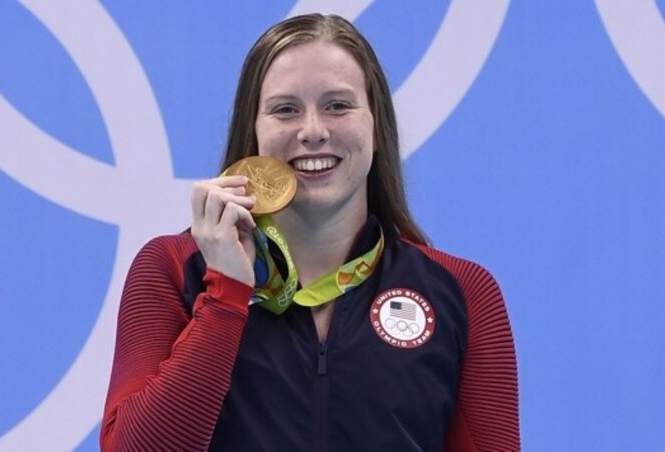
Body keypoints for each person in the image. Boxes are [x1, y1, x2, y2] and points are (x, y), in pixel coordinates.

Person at [101, 13, 519, 451]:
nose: (313, 131)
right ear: (254, 131)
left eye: (338, 105)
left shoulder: (463, 292)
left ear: (376, 128)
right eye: (285, 109)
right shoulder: (173, 269)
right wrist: (225, 295)